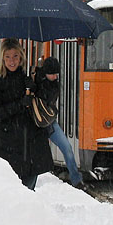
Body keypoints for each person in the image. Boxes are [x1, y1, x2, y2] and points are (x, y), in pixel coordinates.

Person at [0, 38, 52, 190]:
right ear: (2, 58)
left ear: (21, 57)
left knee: (28, 191)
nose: (12, 61)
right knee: (9, 190)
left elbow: (48, 101)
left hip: (30, 144)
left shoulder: (28, 78)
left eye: (15, 56)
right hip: (5, 145)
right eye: (7, 57)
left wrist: (38, 85)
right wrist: (20, 104)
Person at [35, 56, 84, 188]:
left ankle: (76, 179)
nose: (56, 77)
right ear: (46, 73)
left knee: (67, 148)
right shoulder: (36, 82)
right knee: (44, 151)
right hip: (38, 123)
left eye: (57, 74)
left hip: (49, 121)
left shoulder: (50, 84)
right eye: (53, 74)